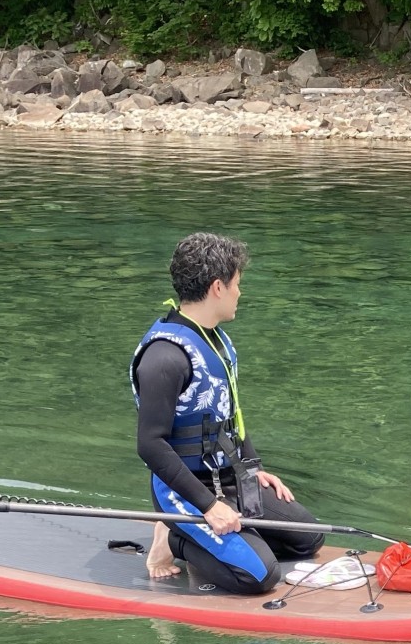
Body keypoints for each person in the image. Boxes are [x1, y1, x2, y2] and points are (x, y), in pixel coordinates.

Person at [132, 232, 323, 592]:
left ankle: (228, 538)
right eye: (237, 283)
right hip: (185, 491)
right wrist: (208, 506)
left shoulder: (215, 339)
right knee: (260, 576)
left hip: (229, 477)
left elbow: (229, 415)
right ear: (218, 287)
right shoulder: (165, 358)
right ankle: (172, 537)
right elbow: (150, 444)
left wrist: (254, 469)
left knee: (307, 539)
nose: (240, 292)